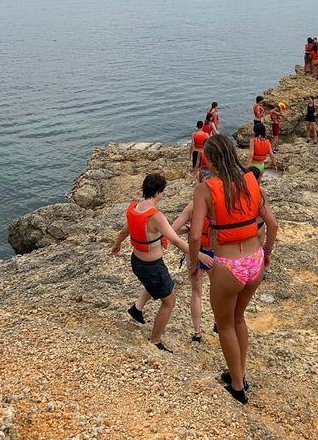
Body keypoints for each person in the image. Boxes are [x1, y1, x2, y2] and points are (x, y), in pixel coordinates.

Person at [188, 135, 278, 404]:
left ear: (211, 159)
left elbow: (194, 237)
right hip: (255, 261)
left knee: (225, 325)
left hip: (228, 266)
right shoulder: (251, 180)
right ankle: (239, 372)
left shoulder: (205, 189)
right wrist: (268, 254)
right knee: (239, 319)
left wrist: (195, 263)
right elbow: (272, 225)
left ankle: (237, 387)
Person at [110, 173, 213, 352]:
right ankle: (155, 340)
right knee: (169, 301)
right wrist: (198, 255)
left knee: (160, 285)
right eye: (162, 192)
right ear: (158, 192)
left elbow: (126, 229)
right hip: (152, 267)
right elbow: (175, 241)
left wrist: (117, 244)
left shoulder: (135, 207)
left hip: (137, 262)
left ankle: (137, 309)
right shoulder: (155, 215)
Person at [172, 201, 215, 343]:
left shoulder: (192, 206)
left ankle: (197, 333)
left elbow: (173, 230)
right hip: (215, 252)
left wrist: (188, 229)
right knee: (218, 291)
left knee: (196, 293)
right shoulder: (220, 202)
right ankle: (218, 324)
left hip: (194, 251)